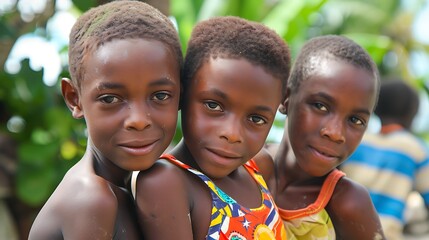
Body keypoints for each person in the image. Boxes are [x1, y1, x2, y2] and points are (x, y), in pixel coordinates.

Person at [28, 1, 183, 239]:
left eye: (160, 96)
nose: (139, 120)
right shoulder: (92, 199)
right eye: (110, 99)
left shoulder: (143, 186)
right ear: (74, 99)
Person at [135, 16, 291, 240]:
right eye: (213, 105)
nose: (232, 134)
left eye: (256, 119)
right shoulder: (166, 183)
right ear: (183, 94)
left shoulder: (257, 167)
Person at [254, 35, 386, 240]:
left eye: (355, 120)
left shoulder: (348, 203)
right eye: (320, 106)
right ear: (286, 98)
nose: (335, 133)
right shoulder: (244, 167)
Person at [340, 79, 429, 240]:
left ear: (376, 108)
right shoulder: (415, 149)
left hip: (342, 232)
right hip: (383, 235)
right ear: (413, 113)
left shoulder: (357, 141)